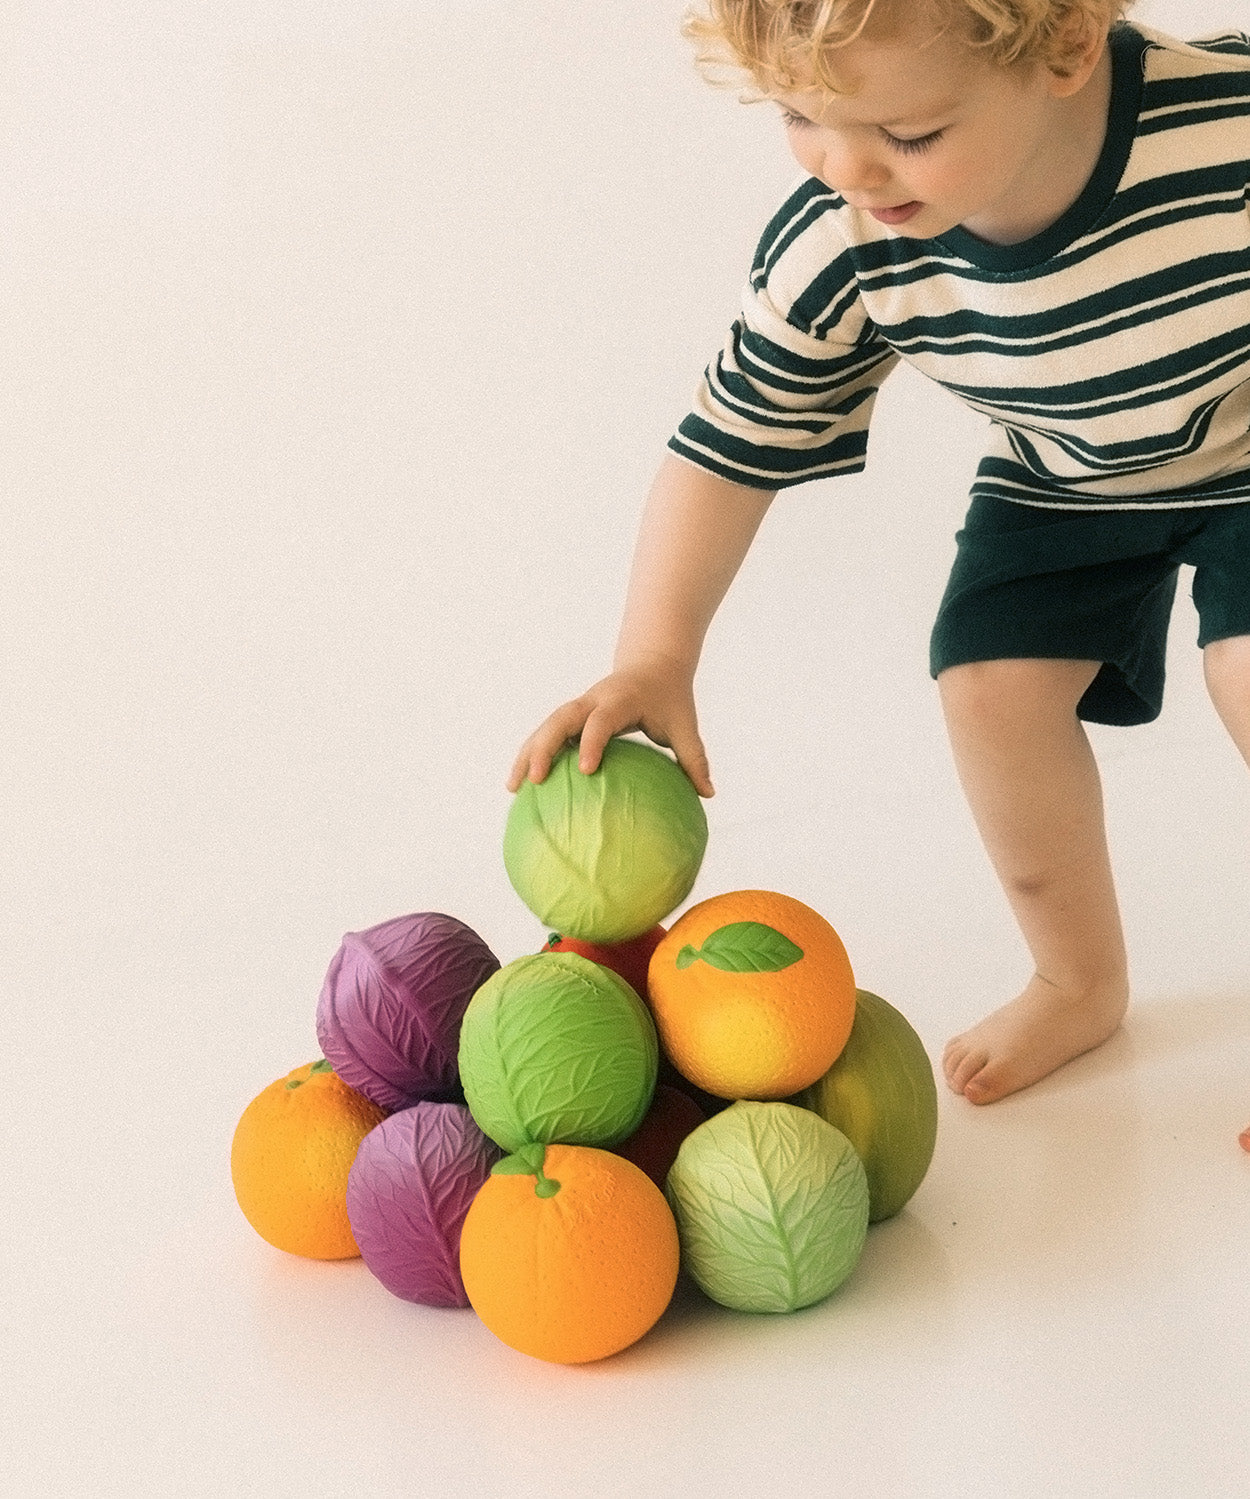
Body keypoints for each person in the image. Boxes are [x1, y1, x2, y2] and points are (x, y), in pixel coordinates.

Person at [507, 0, 1250, 1106]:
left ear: (1064, 48)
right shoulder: (841, 246)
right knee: (987, 693)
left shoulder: (1220, 127)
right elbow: (728, 448)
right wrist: (653, 655)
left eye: (906, 136)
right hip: (1061, 479)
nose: (846, 168)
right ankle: (1075, 975)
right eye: (800, 116)